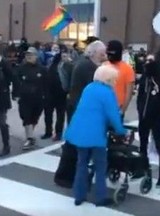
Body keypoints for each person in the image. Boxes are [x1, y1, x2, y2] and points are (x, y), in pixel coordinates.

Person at [65, 65, 126, 207]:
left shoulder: (89, 88)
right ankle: (100, 197)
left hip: (79, 131)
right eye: (114, 80)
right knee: (100, 166)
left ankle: (79, 195)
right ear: (109, 79)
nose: (115, 82)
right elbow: (113, 115)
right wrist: (121, 131)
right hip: (96, 133)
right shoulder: (107, 92)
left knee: (81, 163)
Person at [54, 40, 107, 188]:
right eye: (103, 52)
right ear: (95, 52)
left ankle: (68, 176)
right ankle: (66, 177)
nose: (105, 54)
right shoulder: (88, 67)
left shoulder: (84, 64)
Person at [137, 53, 160, 189]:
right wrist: (140, 109)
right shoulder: (145, 78)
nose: (146, 64)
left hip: (156, 117)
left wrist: (158, 106)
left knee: (159, 145)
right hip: (143, 116)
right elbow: (140, 95)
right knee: (143, 145)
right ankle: (143, 169)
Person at [13, 47, 48, 150]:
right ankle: (30, 138)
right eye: (27, 55)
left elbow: (46, 84)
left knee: (34, 118)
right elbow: (16, 82)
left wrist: (46, 97)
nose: (29, 57)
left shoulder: (42, 69)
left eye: (31, 55)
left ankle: (30, 136)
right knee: (26, 117)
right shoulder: (21, 68)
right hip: (25, 98)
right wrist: (16, 95)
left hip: (38, 98)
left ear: (36, 56)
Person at [41, 50, 73, 141]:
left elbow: (71, 79)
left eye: (65, 56)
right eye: (62, 56)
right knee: (48, 114)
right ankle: (48, 132)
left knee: (60, 115)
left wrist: (69, 92)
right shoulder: (52, 64)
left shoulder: (69, 66)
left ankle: (58, 134)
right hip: (50, 93)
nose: (64, 58)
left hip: (62, 94)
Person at [105, 40, 135, 116]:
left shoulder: (128, 69)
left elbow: (129, 93)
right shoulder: (104, 66)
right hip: (103, 108)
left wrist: (122, 110)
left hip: (117, 109)